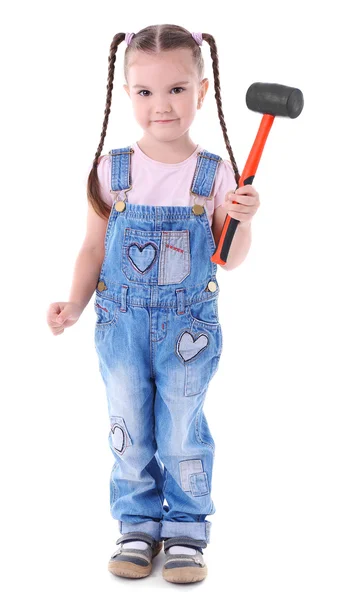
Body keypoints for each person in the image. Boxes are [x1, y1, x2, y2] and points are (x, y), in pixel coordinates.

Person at [46, 24, 260, 584]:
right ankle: (137, 522)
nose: (161, 106)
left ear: (202, 90)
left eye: (176, 90)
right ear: (126, 94)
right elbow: (93, 248)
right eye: (145, 92)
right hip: (120, 324)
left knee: (181, 426)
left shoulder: (213, 175)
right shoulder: (111, 170)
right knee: (128, 423)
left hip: (188, 325)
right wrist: (72, 303)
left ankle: (187, 527)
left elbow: (228, 259)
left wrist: (241, 218)